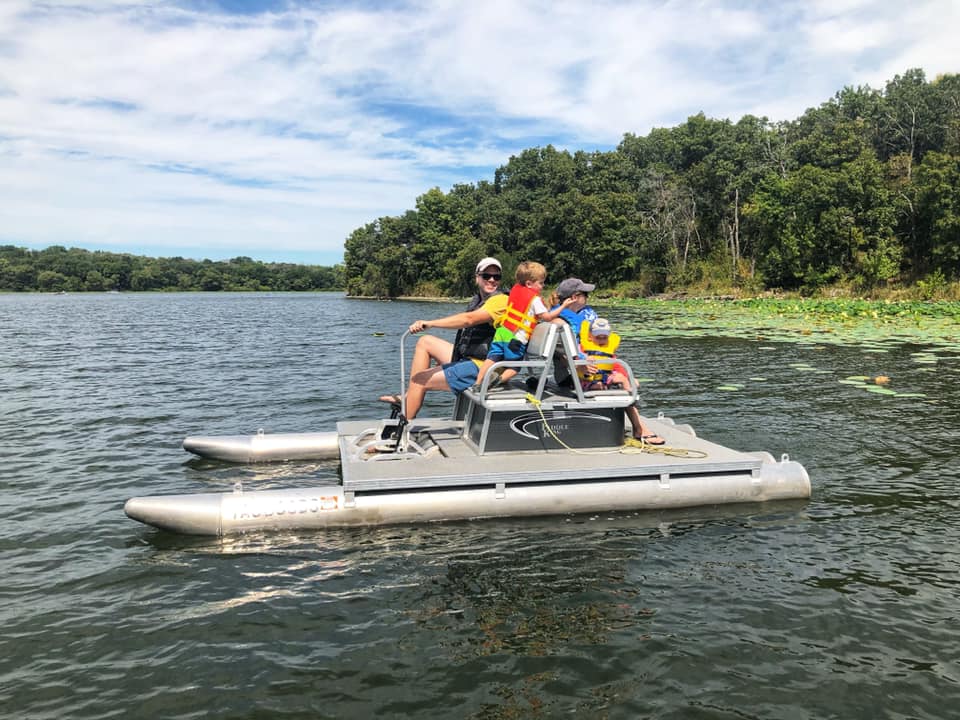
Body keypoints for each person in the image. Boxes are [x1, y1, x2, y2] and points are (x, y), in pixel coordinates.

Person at [378, 257, 508, 419]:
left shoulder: (501, 301)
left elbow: (469, 320)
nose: (491, 280)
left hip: (485, 367)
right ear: (477, 277)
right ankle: (410, 395)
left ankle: (399, 434)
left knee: (419, 380)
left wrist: (431, 323)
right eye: (486, 275)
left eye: (496, 277)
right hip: (471, 359)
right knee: (425, 342)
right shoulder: (479, 300)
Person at [473, 261, 574, 388]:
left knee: (491, 359)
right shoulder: (535, 300)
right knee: (515, 367)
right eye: (541, 283)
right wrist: (563, 306)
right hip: (516, 338)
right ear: (529, 284)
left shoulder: (515, 290)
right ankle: (495, 381)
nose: (543, 286)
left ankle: (477, 383)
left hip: (501, 332)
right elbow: (547, 317)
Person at [577, 316, 665, 445]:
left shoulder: (608, 348)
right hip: (587, 381)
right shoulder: (582, 348)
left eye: (604, 337)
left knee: (623, 381)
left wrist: (629, 379)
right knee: (605, 386)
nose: (601, 340)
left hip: (606, 379)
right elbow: (573, 360)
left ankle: (632, 397)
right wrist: (582, 363)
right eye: (598, 337)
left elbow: (616, 366)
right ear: (590, 335)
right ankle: (639, 427)